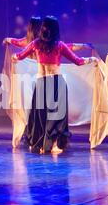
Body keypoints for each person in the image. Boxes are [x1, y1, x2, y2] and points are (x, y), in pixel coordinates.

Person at [12, 15, 97, 154]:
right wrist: (92, 60)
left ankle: (40, 144)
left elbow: (20, 56)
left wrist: (13, 57)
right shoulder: (59, 45)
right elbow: (78, 61)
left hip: (41, 84)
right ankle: (52, 144)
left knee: (40, 115)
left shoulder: (36, 44)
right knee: (56, 116)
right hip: (56, 83)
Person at [4, 16, 94, 54]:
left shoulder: (26, 42)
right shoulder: (44, 42)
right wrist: (83, 46)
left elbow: (14, 41)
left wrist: (7, 40)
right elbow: (67, 47)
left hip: (33, 76)